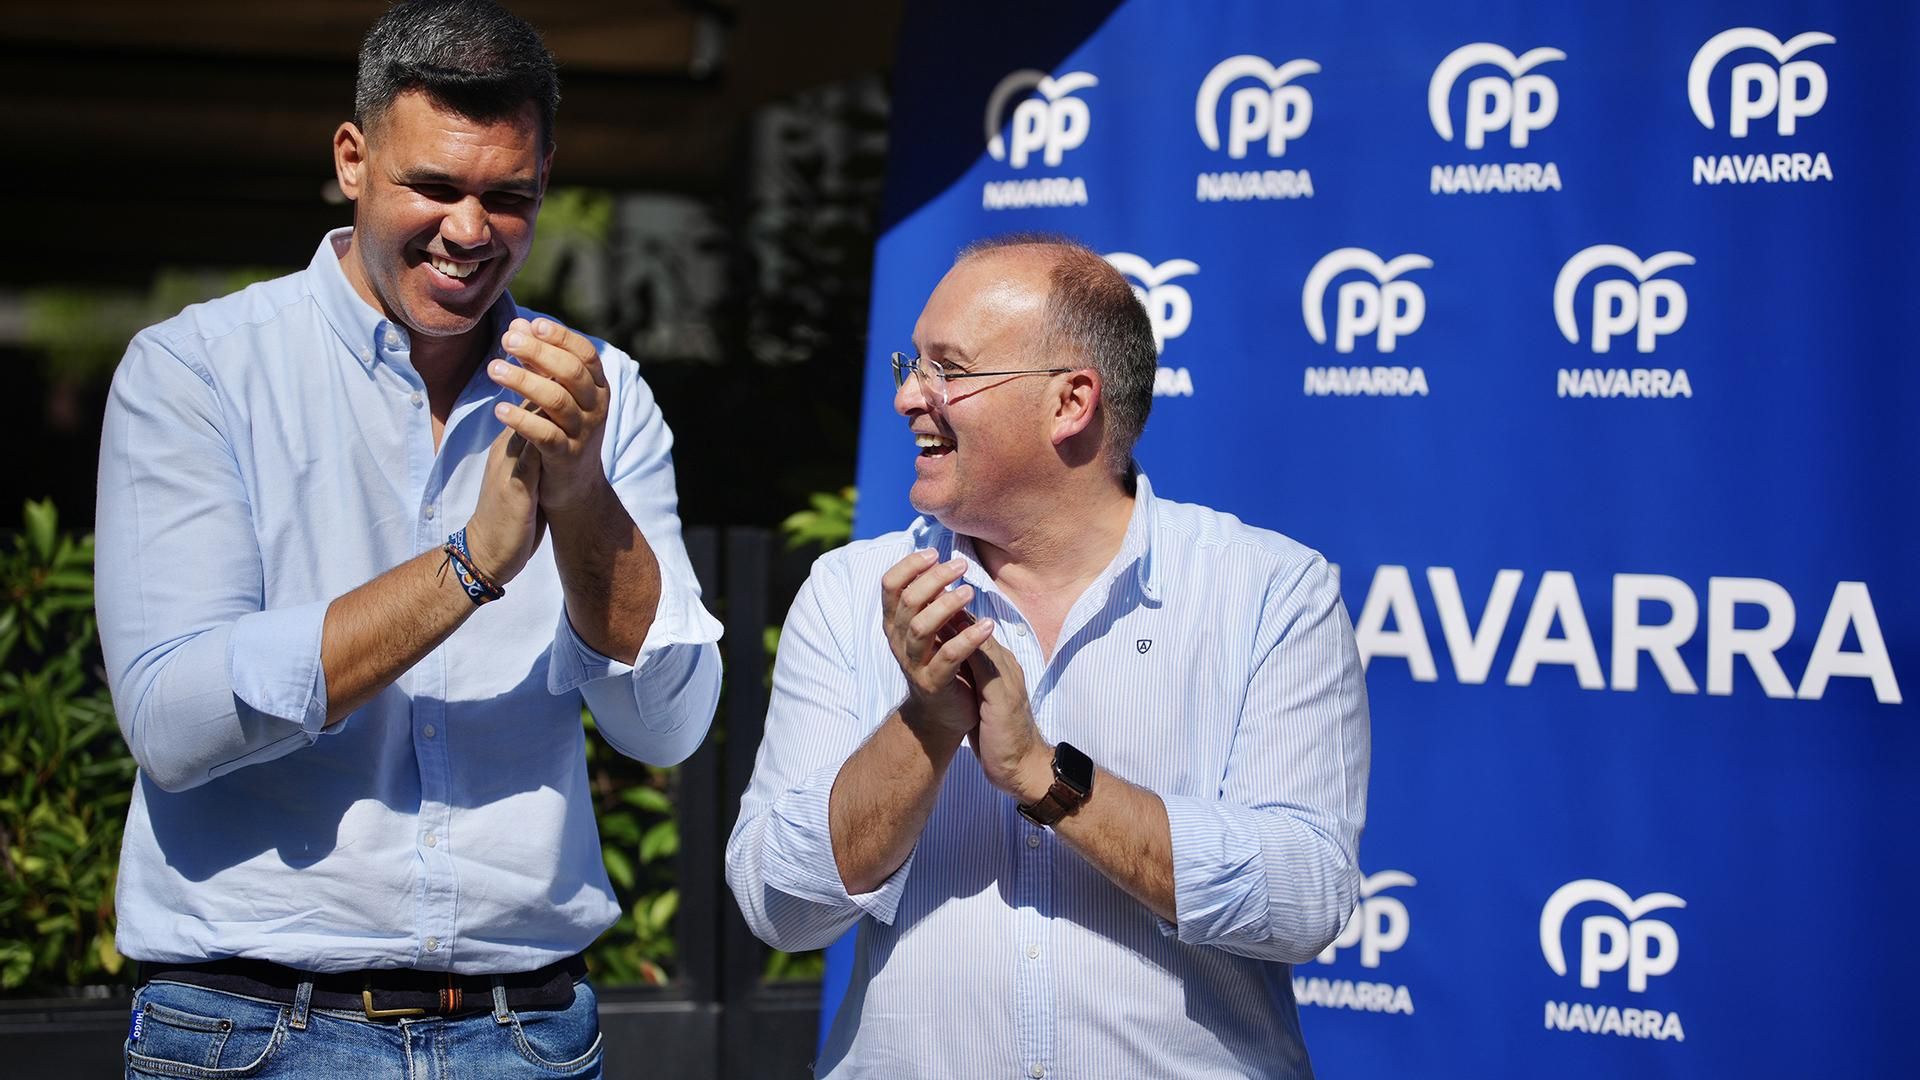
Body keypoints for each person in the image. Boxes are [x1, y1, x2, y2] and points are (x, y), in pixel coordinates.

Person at [93, 2, 721, 1075]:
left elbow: (665, 725)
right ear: (353, 158)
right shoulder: (198, 370)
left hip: (527, 1030)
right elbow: (173, 720)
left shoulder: (599, 392)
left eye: (508, 196)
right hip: (256, 1028)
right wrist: (467, 567)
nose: (470, 231)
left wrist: (583, 501)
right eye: (433, 186)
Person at [727, 236, 1371, 1078]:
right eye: (910, 363)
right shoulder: (853, 591)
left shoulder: (1269, 591)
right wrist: (924, 726)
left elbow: (1305, 898)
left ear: (1071, 402)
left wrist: (1046, 775)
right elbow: (780, 905)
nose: (908, 397)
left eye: (947, 370)